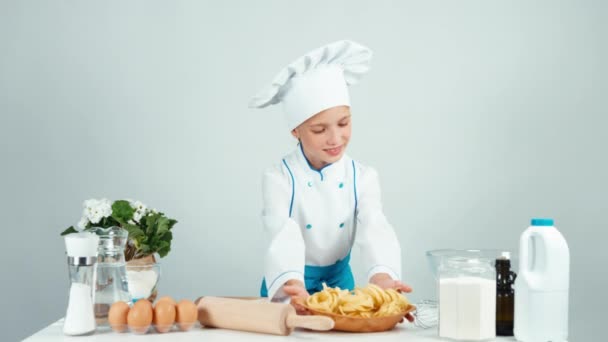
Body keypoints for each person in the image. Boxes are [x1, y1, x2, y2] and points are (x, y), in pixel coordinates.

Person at [249, 40, 412, 319]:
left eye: (344, 123)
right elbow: (282, 231)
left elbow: (375, 225)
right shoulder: (279, 178)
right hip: (289, 289)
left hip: (340, 288)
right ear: (295, 131)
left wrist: (382, 278)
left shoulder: (363, 177)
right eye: (319, 129)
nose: (335, 139)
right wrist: (292, 284)